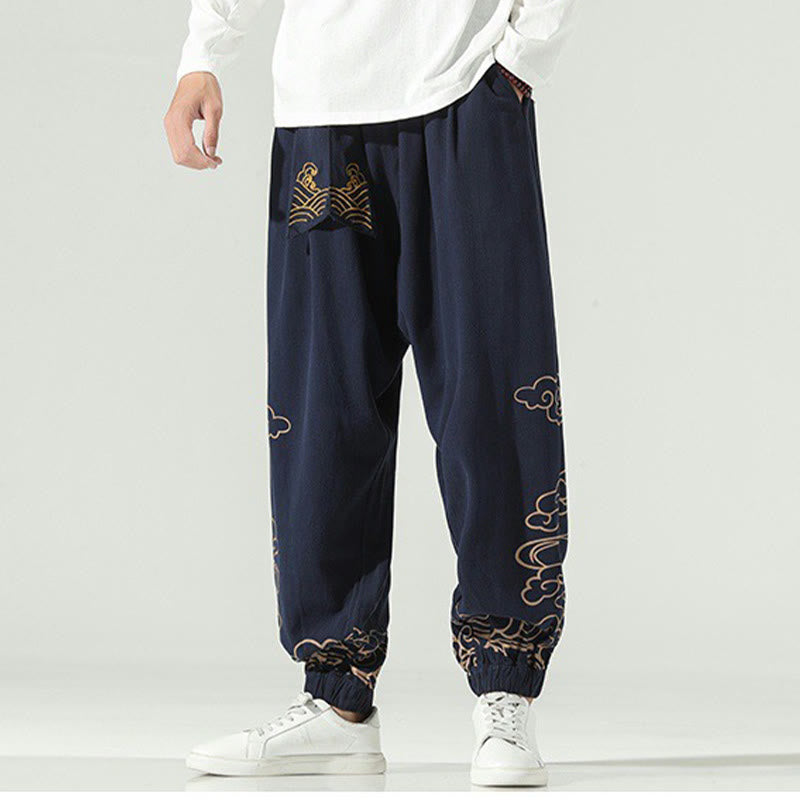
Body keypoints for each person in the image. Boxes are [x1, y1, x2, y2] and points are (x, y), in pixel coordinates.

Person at [164, 0, 576, 787]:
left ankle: (505, 686)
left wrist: (526, 54)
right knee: (322, 408)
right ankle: (336, 700)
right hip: (322, 108)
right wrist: (203, 53)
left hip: (466, 95)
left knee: (494, 399)